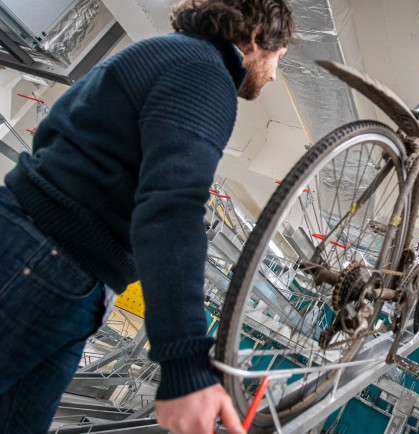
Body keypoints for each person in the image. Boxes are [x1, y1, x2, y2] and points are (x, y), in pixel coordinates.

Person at [0, 0, 294, 432]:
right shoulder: (204, 71)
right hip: (45, 261)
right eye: (278, 58)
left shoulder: (169, 53)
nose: (273, 75)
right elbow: (172, 207)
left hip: (64, 273)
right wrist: (186, 362)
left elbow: (54, 138)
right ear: (255, 38)